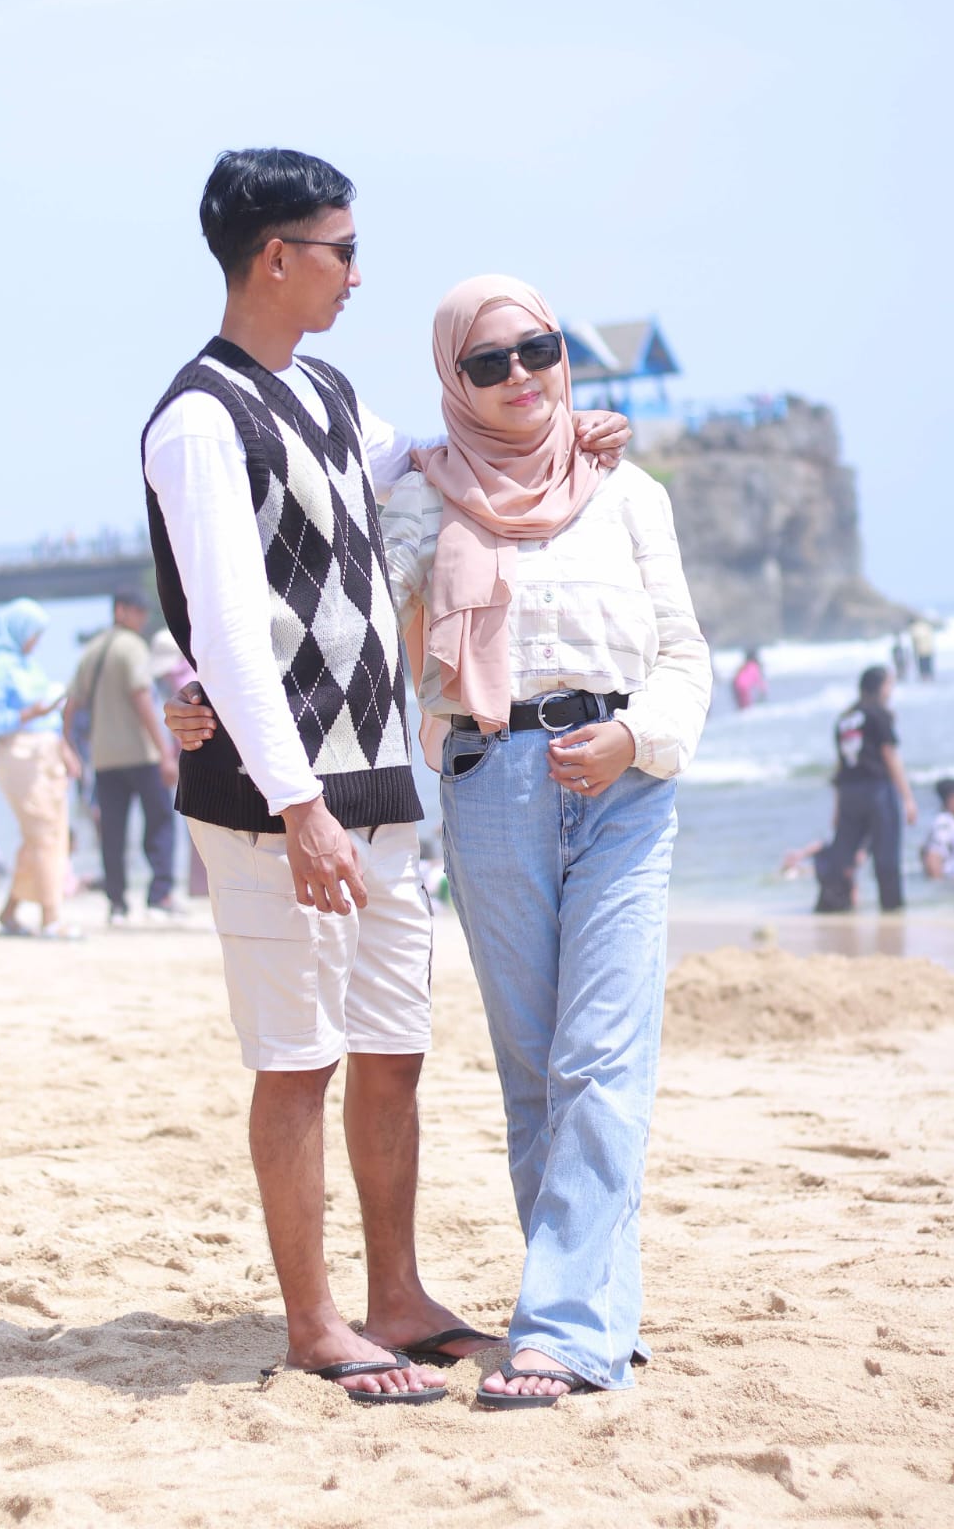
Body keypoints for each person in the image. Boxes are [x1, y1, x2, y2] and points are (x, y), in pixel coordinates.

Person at [170, 272, 710, 1407]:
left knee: (602, 1057)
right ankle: (588, 1314)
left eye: (539, 351)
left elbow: (683, 656)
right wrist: (202, 687)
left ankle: (564, 1328)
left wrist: (635, 737)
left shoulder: (629, 491)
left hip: (626, 786)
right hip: (490, 780)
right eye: (487, 362)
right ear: (453, 379)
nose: (520, 377)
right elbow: (326, 612)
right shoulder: (422, 500)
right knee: (537, 1067)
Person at [64, 591, 179, 926]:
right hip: (141, 753)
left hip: (104, 757)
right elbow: (141, 697)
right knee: (159, 823)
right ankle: (159, 896)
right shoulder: (132, 647)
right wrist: (165, 752)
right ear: (121, 611)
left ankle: (117, 903)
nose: (143, 617)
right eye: (138, 610)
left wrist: (69, 745)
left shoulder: (92, 650)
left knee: (112, 831)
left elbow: (71, 704)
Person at [0, 599, 80, 937]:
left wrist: (65, 749)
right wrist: (31, 713)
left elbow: (48, 716)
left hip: (48, 753)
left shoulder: (29, 665)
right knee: (42, 832)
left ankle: (10, 911)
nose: (36, 640)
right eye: (34, 633)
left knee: (52, 833)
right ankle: (51, 917)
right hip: (19, 755)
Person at [814, 664, 916, 913]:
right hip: (877, 791)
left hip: (849, 793)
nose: (891, 691)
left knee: (843, 855)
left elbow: (842, 765)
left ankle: (833, 907)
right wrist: (908, 798)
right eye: (889, 685)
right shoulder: (878, 714)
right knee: (886, 854)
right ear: (878, 687)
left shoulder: (845, 719)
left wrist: (838, 807)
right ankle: (892, 911)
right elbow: (889, 755)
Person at [920, 777, 954, 879]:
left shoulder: (952, 822)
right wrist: (940, 887)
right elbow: (932, 859)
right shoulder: (945, 824)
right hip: (951, 885)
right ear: (953, 799)